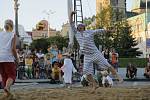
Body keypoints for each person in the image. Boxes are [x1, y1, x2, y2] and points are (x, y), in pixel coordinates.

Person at [70, 11, 123, 92]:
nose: (80, 27)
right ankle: (95, 85)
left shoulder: (89, 32)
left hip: (95, 53)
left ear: (84, 27)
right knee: (86, 74)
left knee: (107, 65)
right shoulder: (76, 34)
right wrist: (71, 15)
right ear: (77, 28)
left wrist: (110, 31)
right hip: (87, 55)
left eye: (82, 26)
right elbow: (71, 23)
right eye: (79, 26)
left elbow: (100, 31)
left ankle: (118, 77)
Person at [0, 19, 18, 98]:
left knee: (4, 76)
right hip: (8, 58)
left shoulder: (0, 34)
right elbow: (13, 49)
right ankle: (7, 88)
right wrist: (17, 58)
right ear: (12, 25)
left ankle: (8, 95)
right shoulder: (13, 34)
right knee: (11, 75)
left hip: (0, 57)